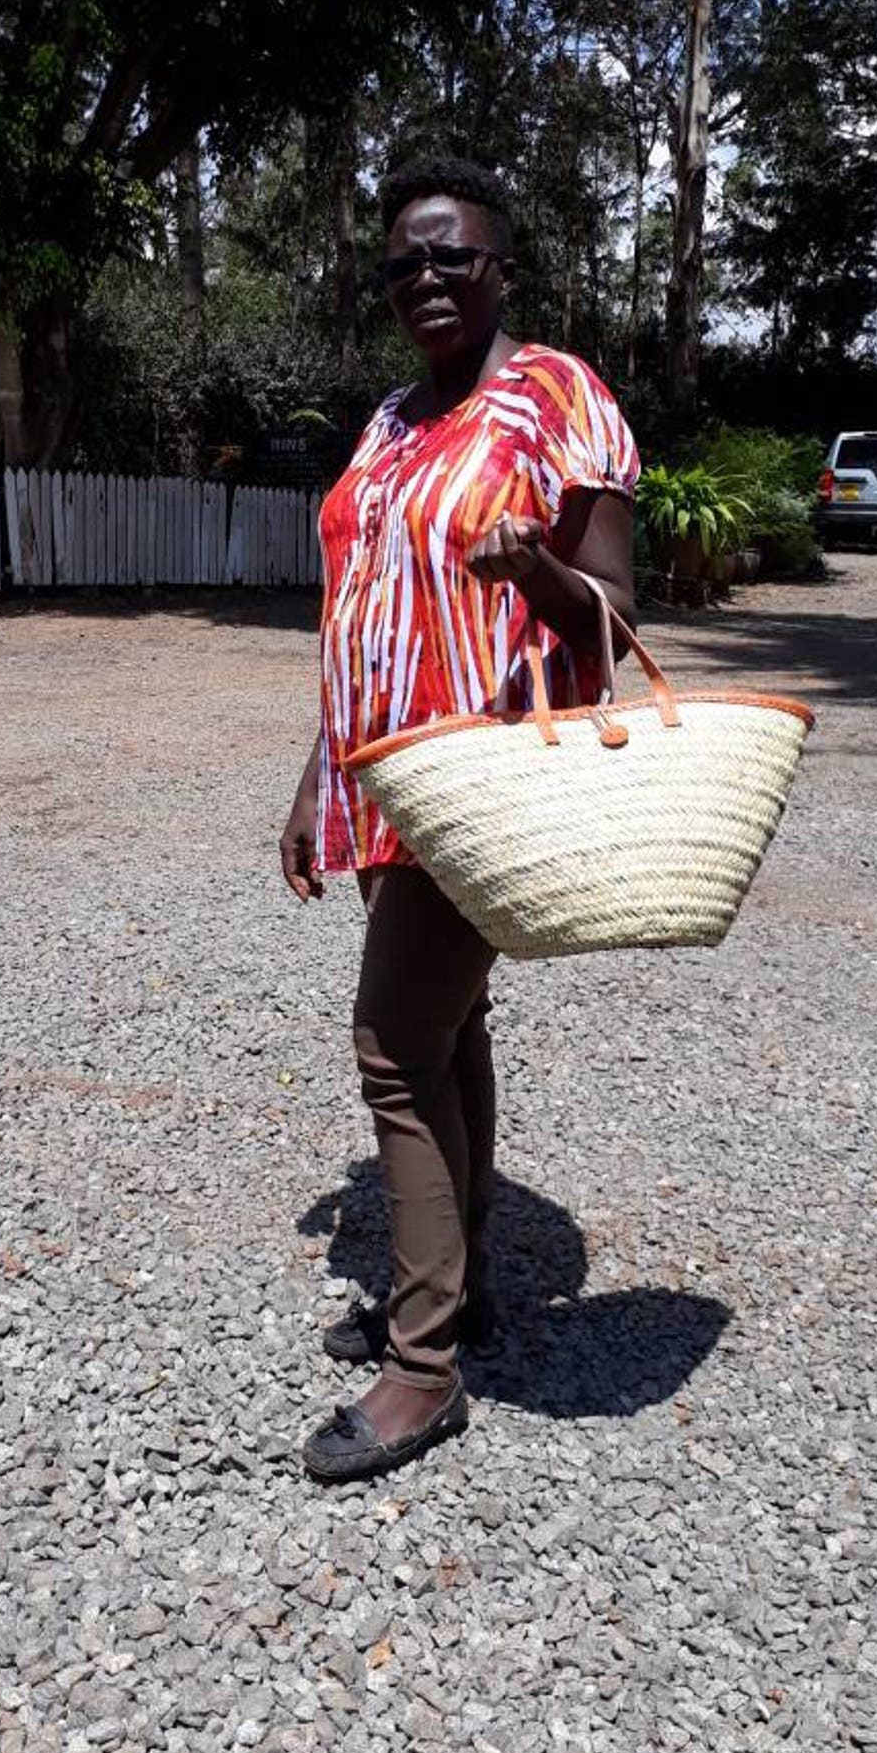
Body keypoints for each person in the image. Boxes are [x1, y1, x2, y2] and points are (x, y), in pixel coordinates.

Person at [280, 153, 639, 1482]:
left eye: (453, 256)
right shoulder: (388, 416)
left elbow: (615, 616)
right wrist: (320, 775)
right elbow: (365, 606)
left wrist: (533, 564)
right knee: (449, 1028)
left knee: (392, 1042)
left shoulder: (555, 395)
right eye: (402, 264)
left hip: (487, 776)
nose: (427, 277)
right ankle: (467, 1281)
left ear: (502, 268)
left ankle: (424, 1367)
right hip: (388, 777)